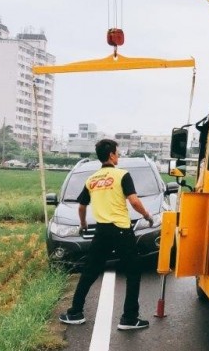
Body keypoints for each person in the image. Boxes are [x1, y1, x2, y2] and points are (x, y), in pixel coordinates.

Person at [59, 139, 155, 330]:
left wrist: (84, 224)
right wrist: (147, 216)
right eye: (117, 152)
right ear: (111, 154)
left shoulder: (92, 179)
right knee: (133, 271)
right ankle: (129, 318)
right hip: (121, 229)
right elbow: (134, 202)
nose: (118, 155)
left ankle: (75, 312)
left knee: (89, 271)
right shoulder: (122, 175)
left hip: (102, 231)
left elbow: (82, 206)